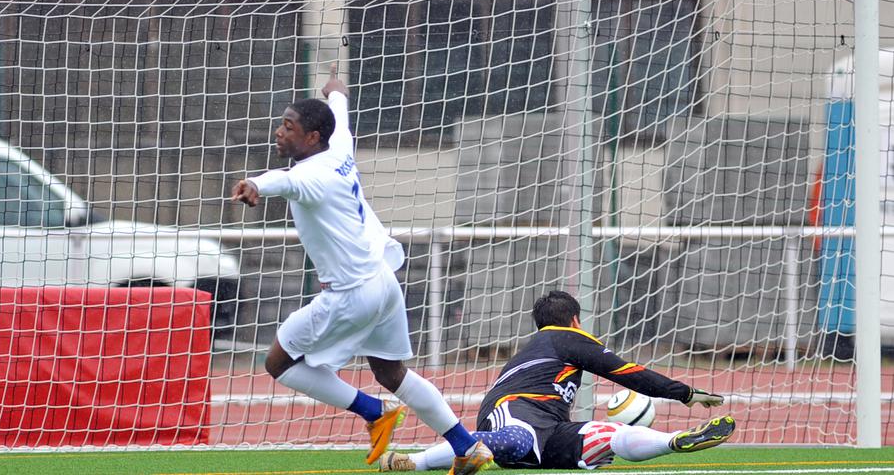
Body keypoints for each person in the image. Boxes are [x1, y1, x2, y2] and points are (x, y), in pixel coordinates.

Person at [231, 66, 493, 475]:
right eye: (282, 124)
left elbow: (284, 183)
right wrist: (335, 88)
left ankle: (374, 410)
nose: (280, 132)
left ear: (313, 137)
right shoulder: (339, 149)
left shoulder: (310, 176)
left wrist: (254, 185)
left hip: (351, 292)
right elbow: (339, 105)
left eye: (289, 126)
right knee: (391, 371)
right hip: (384, 282)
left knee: (278, 363)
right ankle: (466, 445)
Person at [379, 290, 736, 472]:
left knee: (604, 437)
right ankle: (414, 460)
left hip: (551, 429)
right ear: (575, 320)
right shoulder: (565, 338)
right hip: (513, 411)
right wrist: (684, 393)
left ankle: (678, 440)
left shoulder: (545, 344)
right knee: (518, 438)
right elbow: (627, 373)